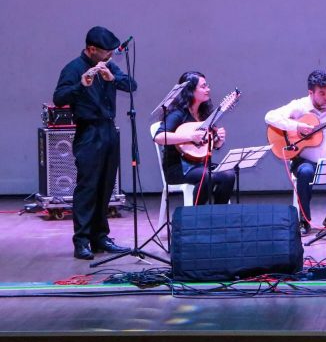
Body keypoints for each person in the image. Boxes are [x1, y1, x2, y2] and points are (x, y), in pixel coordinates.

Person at [53, 26, 136, 260]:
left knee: (106, 186)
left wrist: (114, 78)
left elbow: (132, 85)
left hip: (109, 129)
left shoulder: (109, 65)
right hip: (88, 132)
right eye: (105, 52)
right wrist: (82, 85)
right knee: (88, 187)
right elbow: (59, 98)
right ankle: (82, 240)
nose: (110, 56)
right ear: (91, 49)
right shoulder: (73, 68)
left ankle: (100, 237)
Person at [264, 70, 326, 235]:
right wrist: (296, 126)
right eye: (322, 93)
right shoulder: (299, 106)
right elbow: (269, 116)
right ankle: (304, 220)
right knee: (305, 172)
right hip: (306, 162)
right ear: (311, 93)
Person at [153, 71, 235, 206]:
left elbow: (208, 145)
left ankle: (219, 215)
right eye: (203, 86)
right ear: (190, 90)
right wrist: (190, 136)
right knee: (208, 177)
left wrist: (218, 140)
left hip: (201, 165)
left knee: (229, 175)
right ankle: (197, 216)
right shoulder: (178, 114)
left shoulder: (204, 114)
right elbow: (159, 137)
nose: (208, 89)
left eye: (207, 86)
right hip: (178, 168)